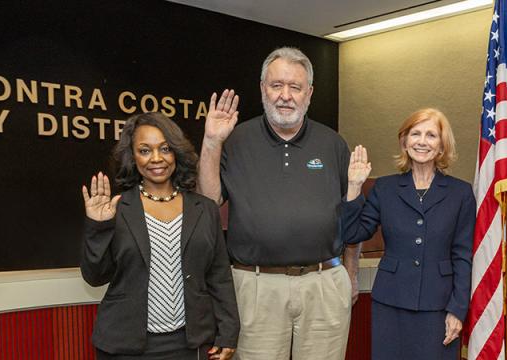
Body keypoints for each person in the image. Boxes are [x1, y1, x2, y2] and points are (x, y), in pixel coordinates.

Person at [197, 47, 361, 360]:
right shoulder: (235, 140)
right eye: (276, 85)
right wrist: (211, 142)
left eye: (295, 87)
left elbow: (352, 215)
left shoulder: (334, 144)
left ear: (309, 94)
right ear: (262, 89)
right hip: (256, 287)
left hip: (324, 284)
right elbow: (208, 201)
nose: (285, 95)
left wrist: (352, 274)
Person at [80, 112, 238, 360]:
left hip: (190, 344)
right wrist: (99, 227)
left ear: (176, 151)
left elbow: (219, 276)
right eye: (144, 150)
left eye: (165, 148)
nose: (156, 158)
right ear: (133, 156)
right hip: (126, 346)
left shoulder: (204, 209)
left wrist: (228, 333)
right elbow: (95, 276)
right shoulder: (118, 208)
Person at [342, 108, 474, 360]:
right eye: (415, 134)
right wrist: (354, 187)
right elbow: (353, 232)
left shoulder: (461, 193)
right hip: (390, 303)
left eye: (431, 135)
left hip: (440, 305)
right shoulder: (385, 188)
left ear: (442, 146)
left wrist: (457, 310)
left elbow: (463, 255)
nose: (422, 141)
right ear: (404, 141)